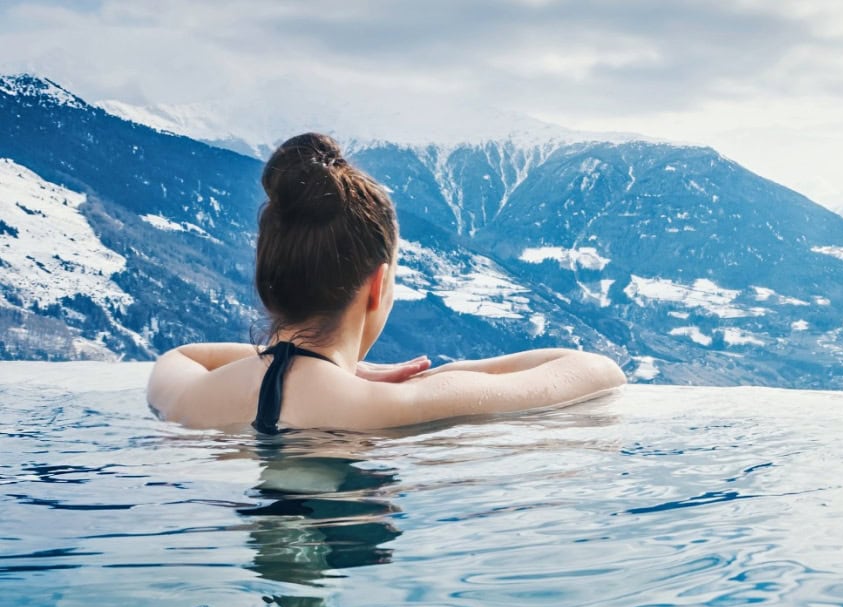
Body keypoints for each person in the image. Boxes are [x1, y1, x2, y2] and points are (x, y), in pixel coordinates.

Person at [146, 133, 625, 433]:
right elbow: (596, 371)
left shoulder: (191, 401)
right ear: (378, 285)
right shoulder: (392, 406)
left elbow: (181, 357)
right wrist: (445, 374)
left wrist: (312, 364)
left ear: (269, 278)